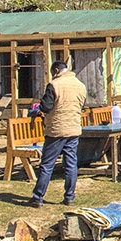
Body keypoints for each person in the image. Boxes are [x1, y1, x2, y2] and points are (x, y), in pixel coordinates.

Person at [28, 61, 87, 208]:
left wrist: (39, 109)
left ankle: (38, 197)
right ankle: (69, 197)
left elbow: (46, 107)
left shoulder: (54, 85)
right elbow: (81, 105)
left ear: (56, 70)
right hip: (73, 128)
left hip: (56, 129)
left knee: (47, 164)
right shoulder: (80, 85)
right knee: (71, 164)